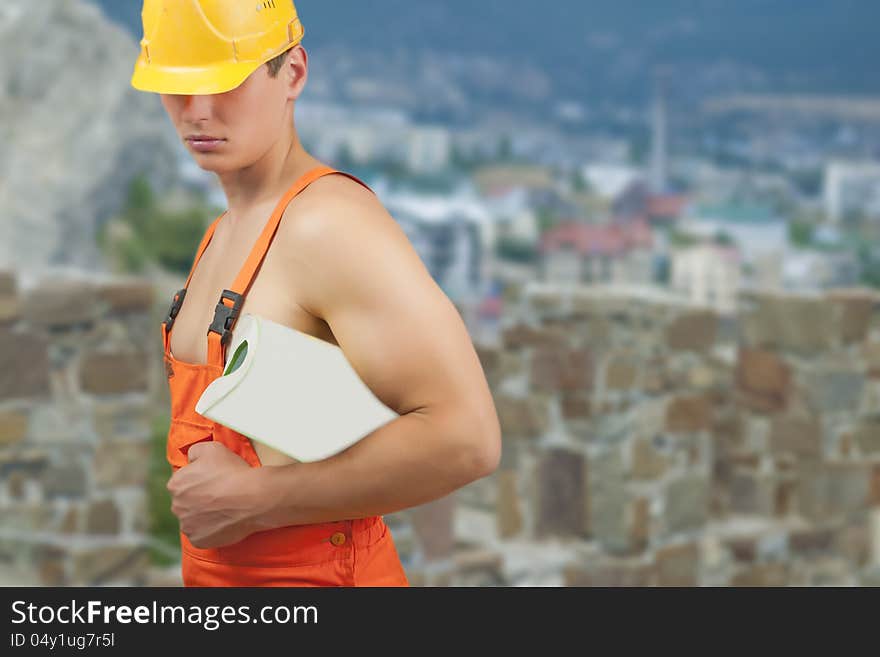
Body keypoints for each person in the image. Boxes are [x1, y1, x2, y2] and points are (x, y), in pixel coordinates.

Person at [130, 0, 501, 587]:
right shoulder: (222, 232)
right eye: (179, 85)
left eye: (226, 82)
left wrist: (258, 497)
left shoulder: (326, 225)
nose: (197, 112)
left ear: (294, 73)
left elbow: (468, 440)